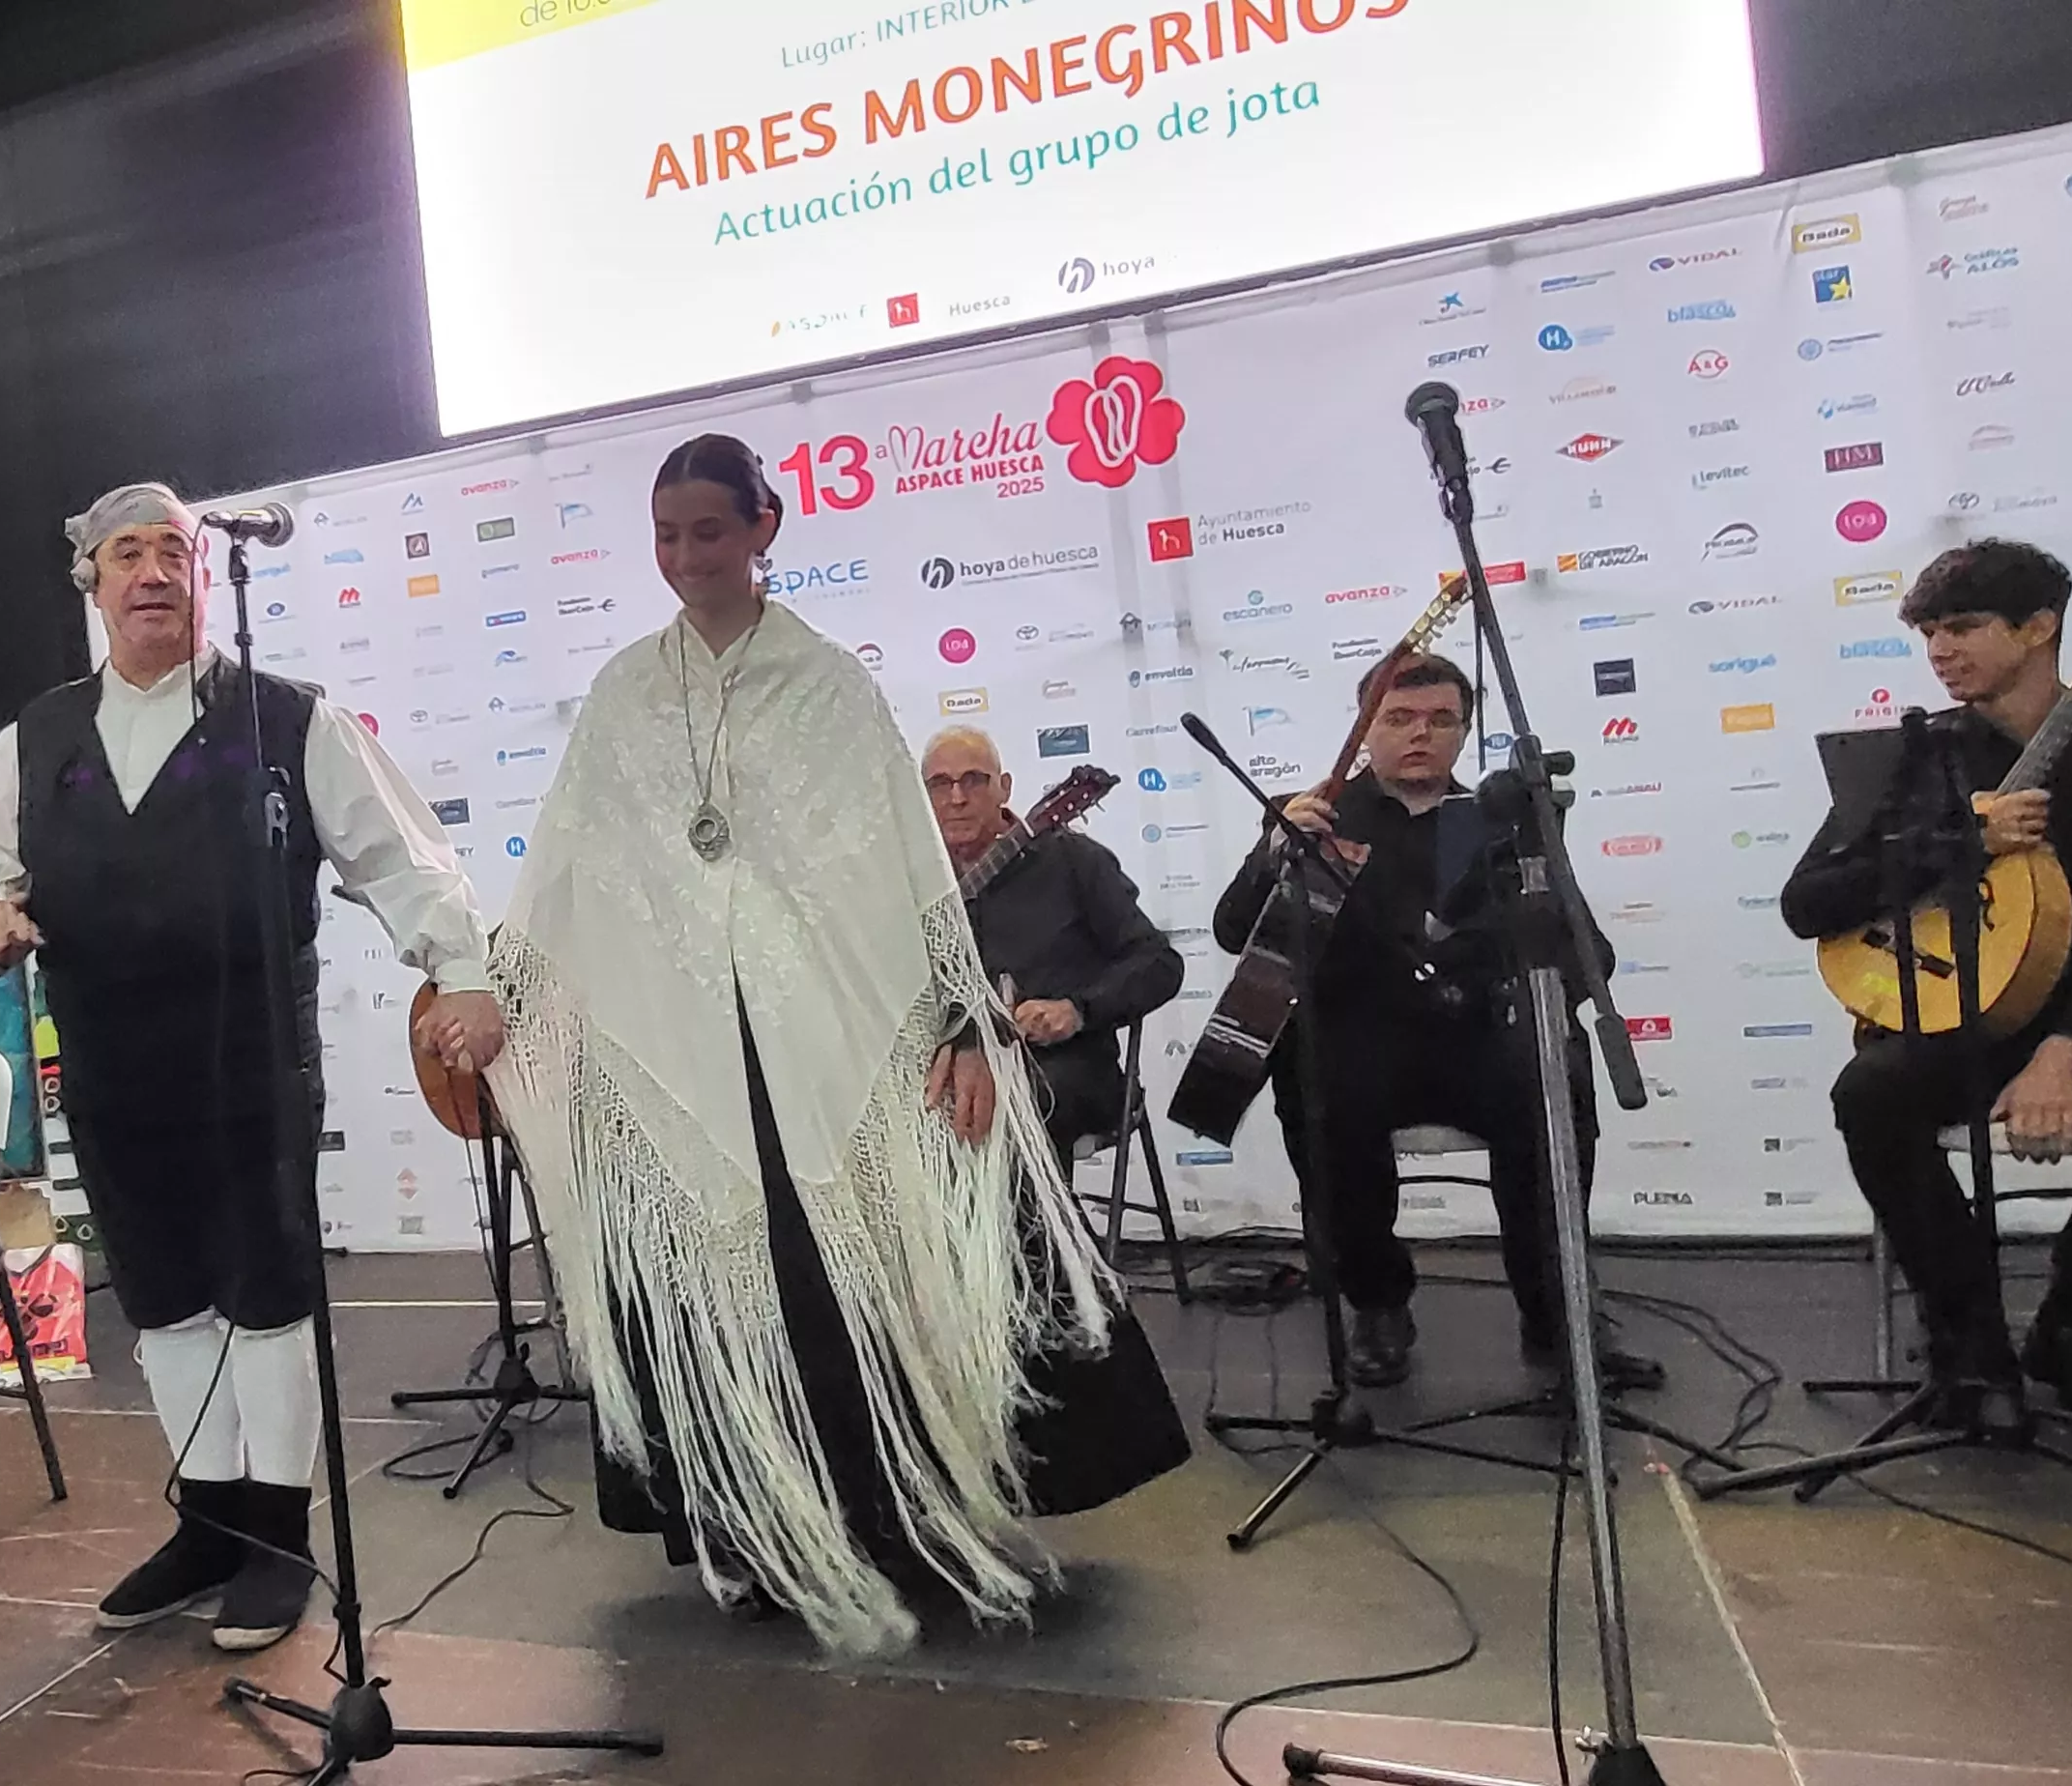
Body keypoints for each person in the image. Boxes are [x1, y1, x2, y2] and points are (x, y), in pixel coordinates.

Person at [483, 434, 1185, 1658]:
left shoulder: (828, 688)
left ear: (766, 526)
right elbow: (570, 870)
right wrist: (497, 991)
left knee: (847, 1271)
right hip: (684, 1039)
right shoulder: (622, 695)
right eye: (667, 535)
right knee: (710, 1282)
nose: (688, 555)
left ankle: (886, 1512)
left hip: (832, 1031)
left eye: (710, 529)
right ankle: (749, 1523)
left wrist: (965, 1019)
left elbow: (907, 881)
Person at [0, 482, 502, 1655]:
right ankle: (206, 1519)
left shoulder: (288, 719)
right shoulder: (37, 734)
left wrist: (458, 970)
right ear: (90, 584)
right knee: (162, 1294)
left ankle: (277, 1534)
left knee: (263, 1290)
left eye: (173, 552)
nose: (151, 572)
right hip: (108, 1056)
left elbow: (402, 863)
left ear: (207, 575)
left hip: (249, 1054)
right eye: (125, 555)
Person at [1780, 539, 2072, 1429]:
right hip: (1968, 1011)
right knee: (1872, 1093)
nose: (1941, 650)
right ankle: (1971, 1349)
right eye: (1929, 633)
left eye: (1964, 628)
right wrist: (1959, 841)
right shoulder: (1911, 761)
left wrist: (2066, 1051)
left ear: (2040, 627)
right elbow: (1809, 903)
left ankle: (2070, 1324)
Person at [1208, 650, 1658, 1395]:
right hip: (1361, 1041)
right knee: (1321, 1094)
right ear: (1366, 726)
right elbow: (1233, 933)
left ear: (1463, 732)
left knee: (1553, 1078)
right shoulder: (1315, 815)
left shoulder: (1499, 821)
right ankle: (1377, 1303)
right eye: (1399, 718)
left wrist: (1530, 985)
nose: (1420, 734)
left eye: (1441, 720)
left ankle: (1558, 1314)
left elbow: (1587, 949)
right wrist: (1273, 852)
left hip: (1479, 1035)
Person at [923, 725, 1181, 1149]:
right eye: (940, 784)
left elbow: (1159, 964)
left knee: (1012, 1102)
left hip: (1069, 1068)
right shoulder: (919, 886)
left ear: (1004, 788)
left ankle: (1030, 1219)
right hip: (959, 1060)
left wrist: (1077, 1010)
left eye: (974, 779)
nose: (956, 798)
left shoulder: (1073, 861)